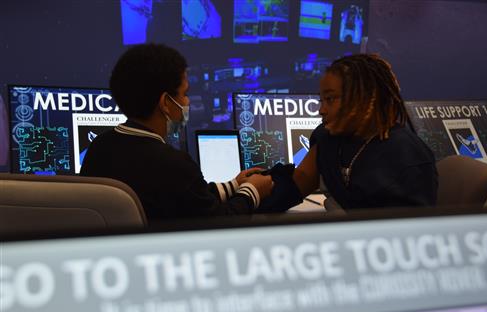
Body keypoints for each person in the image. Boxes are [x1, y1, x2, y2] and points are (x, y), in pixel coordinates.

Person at [80, 44, 273, 223]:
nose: (187, 102)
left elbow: (191, 198)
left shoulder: (99, 147)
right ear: (165, 102)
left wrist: (234, 184)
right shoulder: (174, 164)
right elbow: (218, 221)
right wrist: (253, 190)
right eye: (184, 93)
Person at [264, 54, 438, 212]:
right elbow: (299, 181)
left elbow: (409, 234)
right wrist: (250, 195)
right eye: (321, 100)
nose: (321, 110)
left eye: (330, 99)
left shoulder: (408, 157)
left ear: (364, 98)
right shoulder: (327, 138)